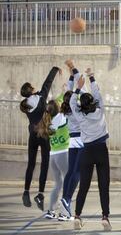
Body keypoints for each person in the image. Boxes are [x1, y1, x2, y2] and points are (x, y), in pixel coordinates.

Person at [69, 69, 111, 231]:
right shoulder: (100, 111)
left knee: (84, 186)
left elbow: (73, 103)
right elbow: (97, 93)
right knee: (103, 185)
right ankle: (105, 217)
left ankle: (77, 216)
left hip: (87, 152)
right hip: (101, 150)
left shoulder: (80, 115)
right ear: (93, 102)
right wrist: (92, 77)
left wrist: (78, 87)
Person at [20, 66, 61, 211]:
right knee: (44, 164)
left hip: (32, 136)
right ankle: (40, 194)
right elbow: (47, 83)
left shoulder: (26, 104)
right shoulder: (41, 97)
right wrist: (55, 69)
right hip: (43, 135)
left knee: (31, 164)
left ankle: (26, 191)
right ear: (31, 89)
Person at [36, 100, 69, 220]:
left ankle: (51, 211)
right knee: (68, 183)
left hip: (53, 156)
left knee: (58, 184)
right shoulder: (62, 117)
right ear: (58, 108)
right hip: (63, 154)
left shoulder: (48, 121)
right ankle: (64, 213)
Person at [60, 60, 84, 220]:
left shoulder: (67, 103)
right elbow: (74, 91)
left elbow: (69, 92)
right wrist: (73, 67)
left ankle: (64, 200)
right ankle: (67, 200)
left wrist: (71, 74)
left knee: (70, 171)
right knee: (77, 172)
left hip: (72, 140)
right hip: (82, 140)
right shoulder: (76, 104)